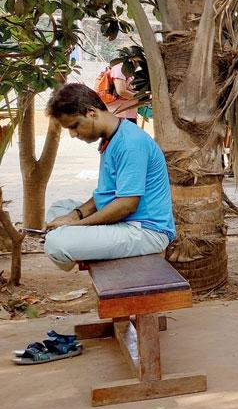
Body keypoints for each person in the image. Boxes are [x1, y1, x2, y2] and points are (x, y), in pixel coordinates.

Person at [42, 83, 175, 271]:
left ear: (91, 113)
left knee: (56, 243)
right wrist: (73, 215)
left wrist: (77, 225)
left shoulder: (130, 143)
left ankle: (77, 247)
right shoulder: (113, 136)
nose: (72, 134)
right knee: (60, 208)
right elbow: (106, 194)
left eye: (74, 126)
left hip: (146, 231)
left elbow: (126, 205)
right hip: (125, 224)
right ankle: (82, 245)